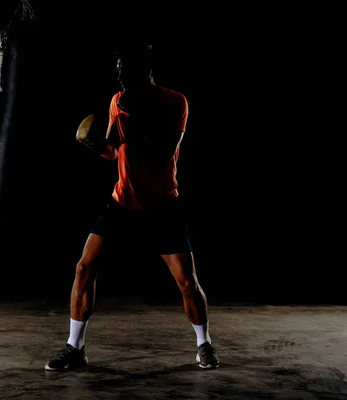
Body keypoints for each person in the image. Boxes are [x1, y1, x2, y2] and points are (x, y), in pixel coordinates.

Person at [44, 41, 219, 371]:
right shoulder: (117, 101)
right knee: (84, 268)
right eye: (119, 69)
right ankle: (75, 347)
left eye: (128, 69)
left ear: (146, 70)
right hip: (122, 201)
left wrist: (134, 117)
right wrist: (95, 145)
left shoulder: (174, 102)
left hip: (162, 204)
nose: (121, 75)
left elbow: (164, 152)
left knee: (186, 281)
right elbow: (113, 151)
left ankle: (204, 345)